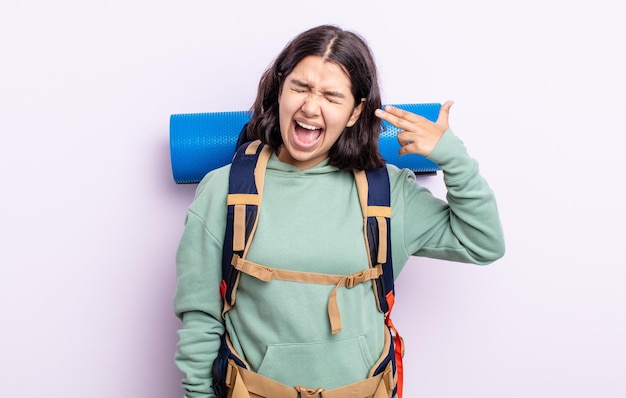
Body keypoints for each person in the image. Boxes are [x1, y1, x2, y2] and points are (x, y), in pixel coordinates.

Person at [174, 24, 505, 398]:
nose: (310, 107)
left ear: (354, 112)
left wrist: (452, 158)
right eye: (300, 87)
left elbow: (483, 243)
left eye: (332, 96)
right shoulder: (225, 189)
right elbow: (200, 320)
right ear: (280, 88)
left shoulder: (386, 191)